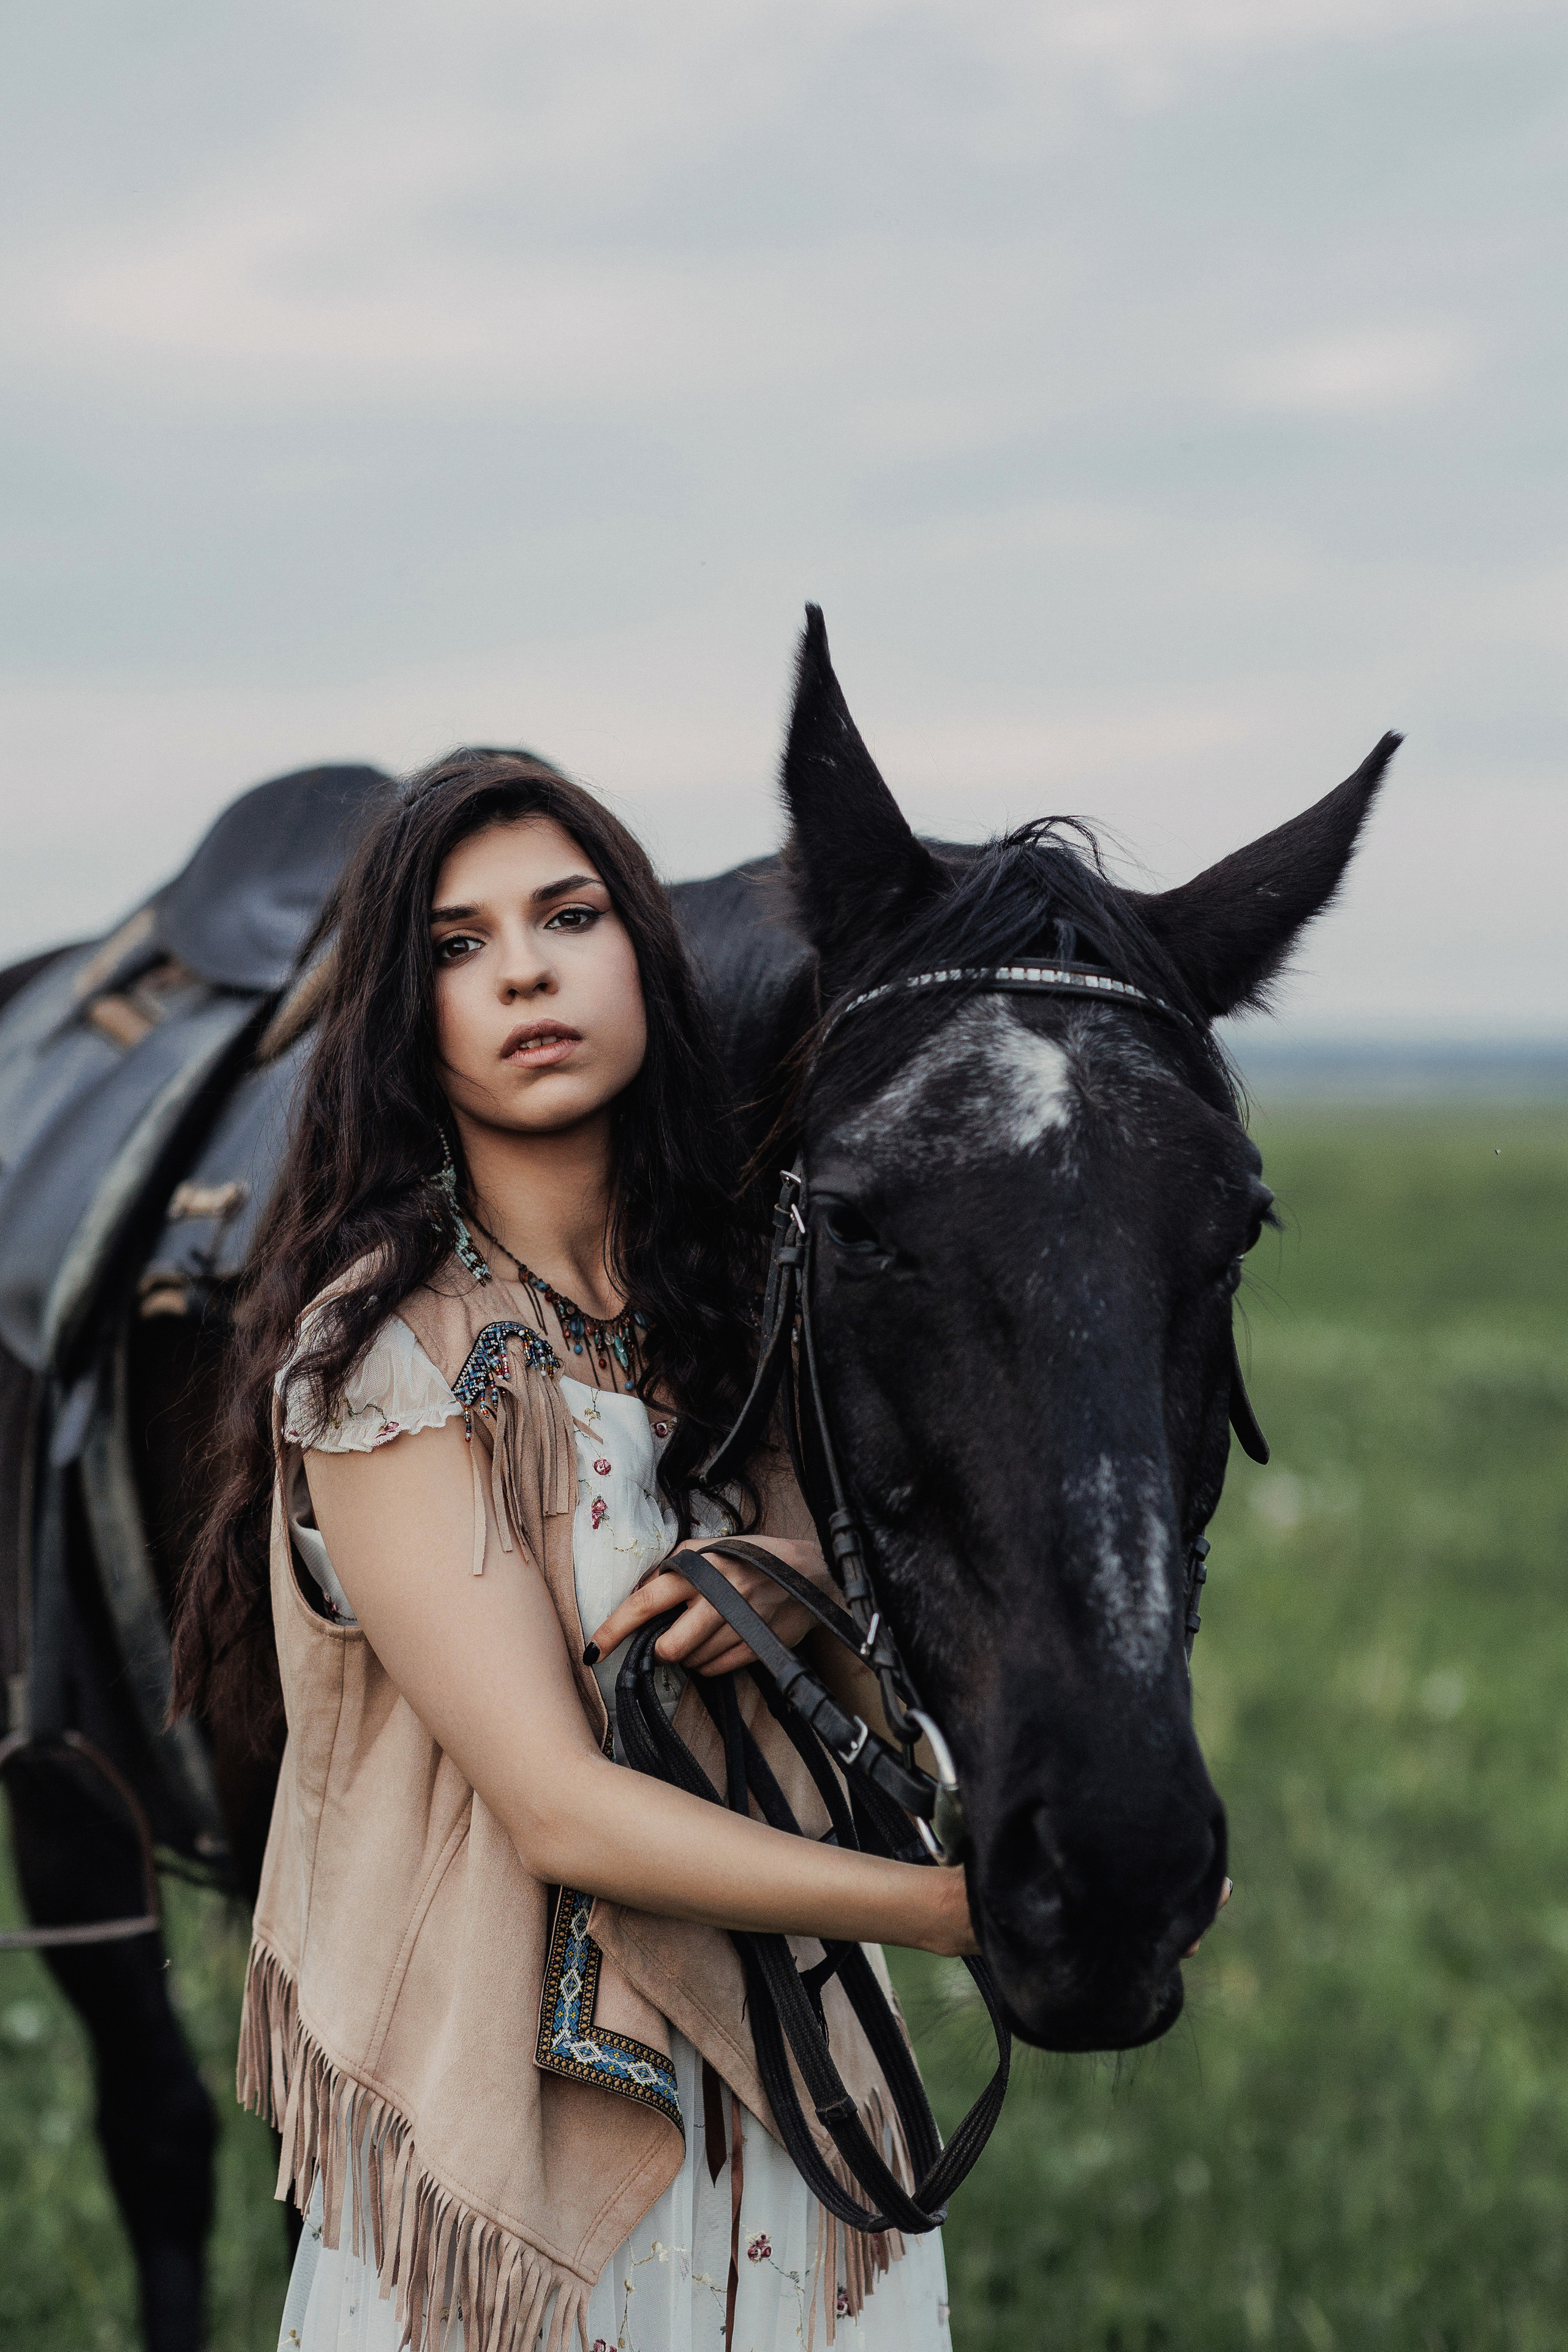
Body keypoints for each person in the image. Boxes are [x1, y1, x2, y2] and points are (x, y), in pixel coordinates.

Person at [172, 749, 973, 2352]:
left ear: (642, 959)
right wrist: (954, 1909)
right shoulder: (381, 1364)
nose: (524, 967)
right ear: (407, 1017)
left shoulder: (752, 1315)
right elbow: (556, 1805)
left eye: (568, 913)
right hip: (520, 2156)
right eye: (457, 945)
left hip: (792, 2095)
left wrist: (789, 1564)